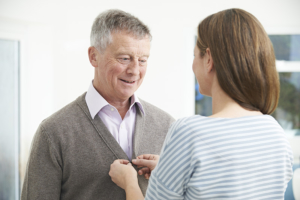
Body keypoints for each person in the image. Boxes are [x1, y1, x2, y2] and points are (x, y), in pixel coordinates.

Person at [109, 8, 294, 200]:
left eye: (195, 55)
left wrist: (129, 182)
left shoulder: (190, 132)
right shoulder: (276, 134)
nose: (193, 65)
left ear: (209, 59)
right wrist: (168, 170)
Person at [21, 9, 175, 200]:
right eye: (124, 58)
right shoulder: (54, 132)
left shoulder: (167, 126)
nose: (135, 70)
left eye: (143, 60)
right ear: (94, 56)